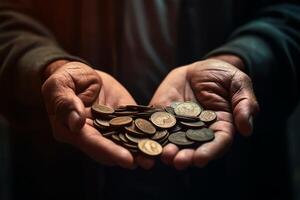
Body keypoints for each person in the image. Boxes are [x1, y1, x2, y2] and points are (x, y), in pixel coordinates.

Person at [0, 0, 299, 199]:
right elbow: (7, 17)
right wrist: (50, 67)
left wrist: (240, 60)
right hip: (69, 170)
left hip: (230, 177)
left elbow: (290, 12)